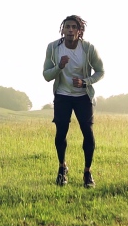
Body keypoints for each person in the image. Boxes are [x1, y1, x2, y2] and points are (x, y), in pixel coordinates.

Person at [42, 15, 104, 188]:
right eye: (67, 27)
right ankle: (62, 168)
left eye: (73, 27)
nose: (70, 30)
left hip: (83, 96)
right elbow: (47, 76)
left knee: (87, 132)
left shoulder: (88, 48)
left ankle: (87, 172)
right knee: (61, 132)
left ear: (79, 31)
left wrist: (85, 82)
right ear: (62, 29)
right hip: (62, 95)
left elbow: (100, 71)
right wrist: (59, 67)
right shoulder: (54, 48)